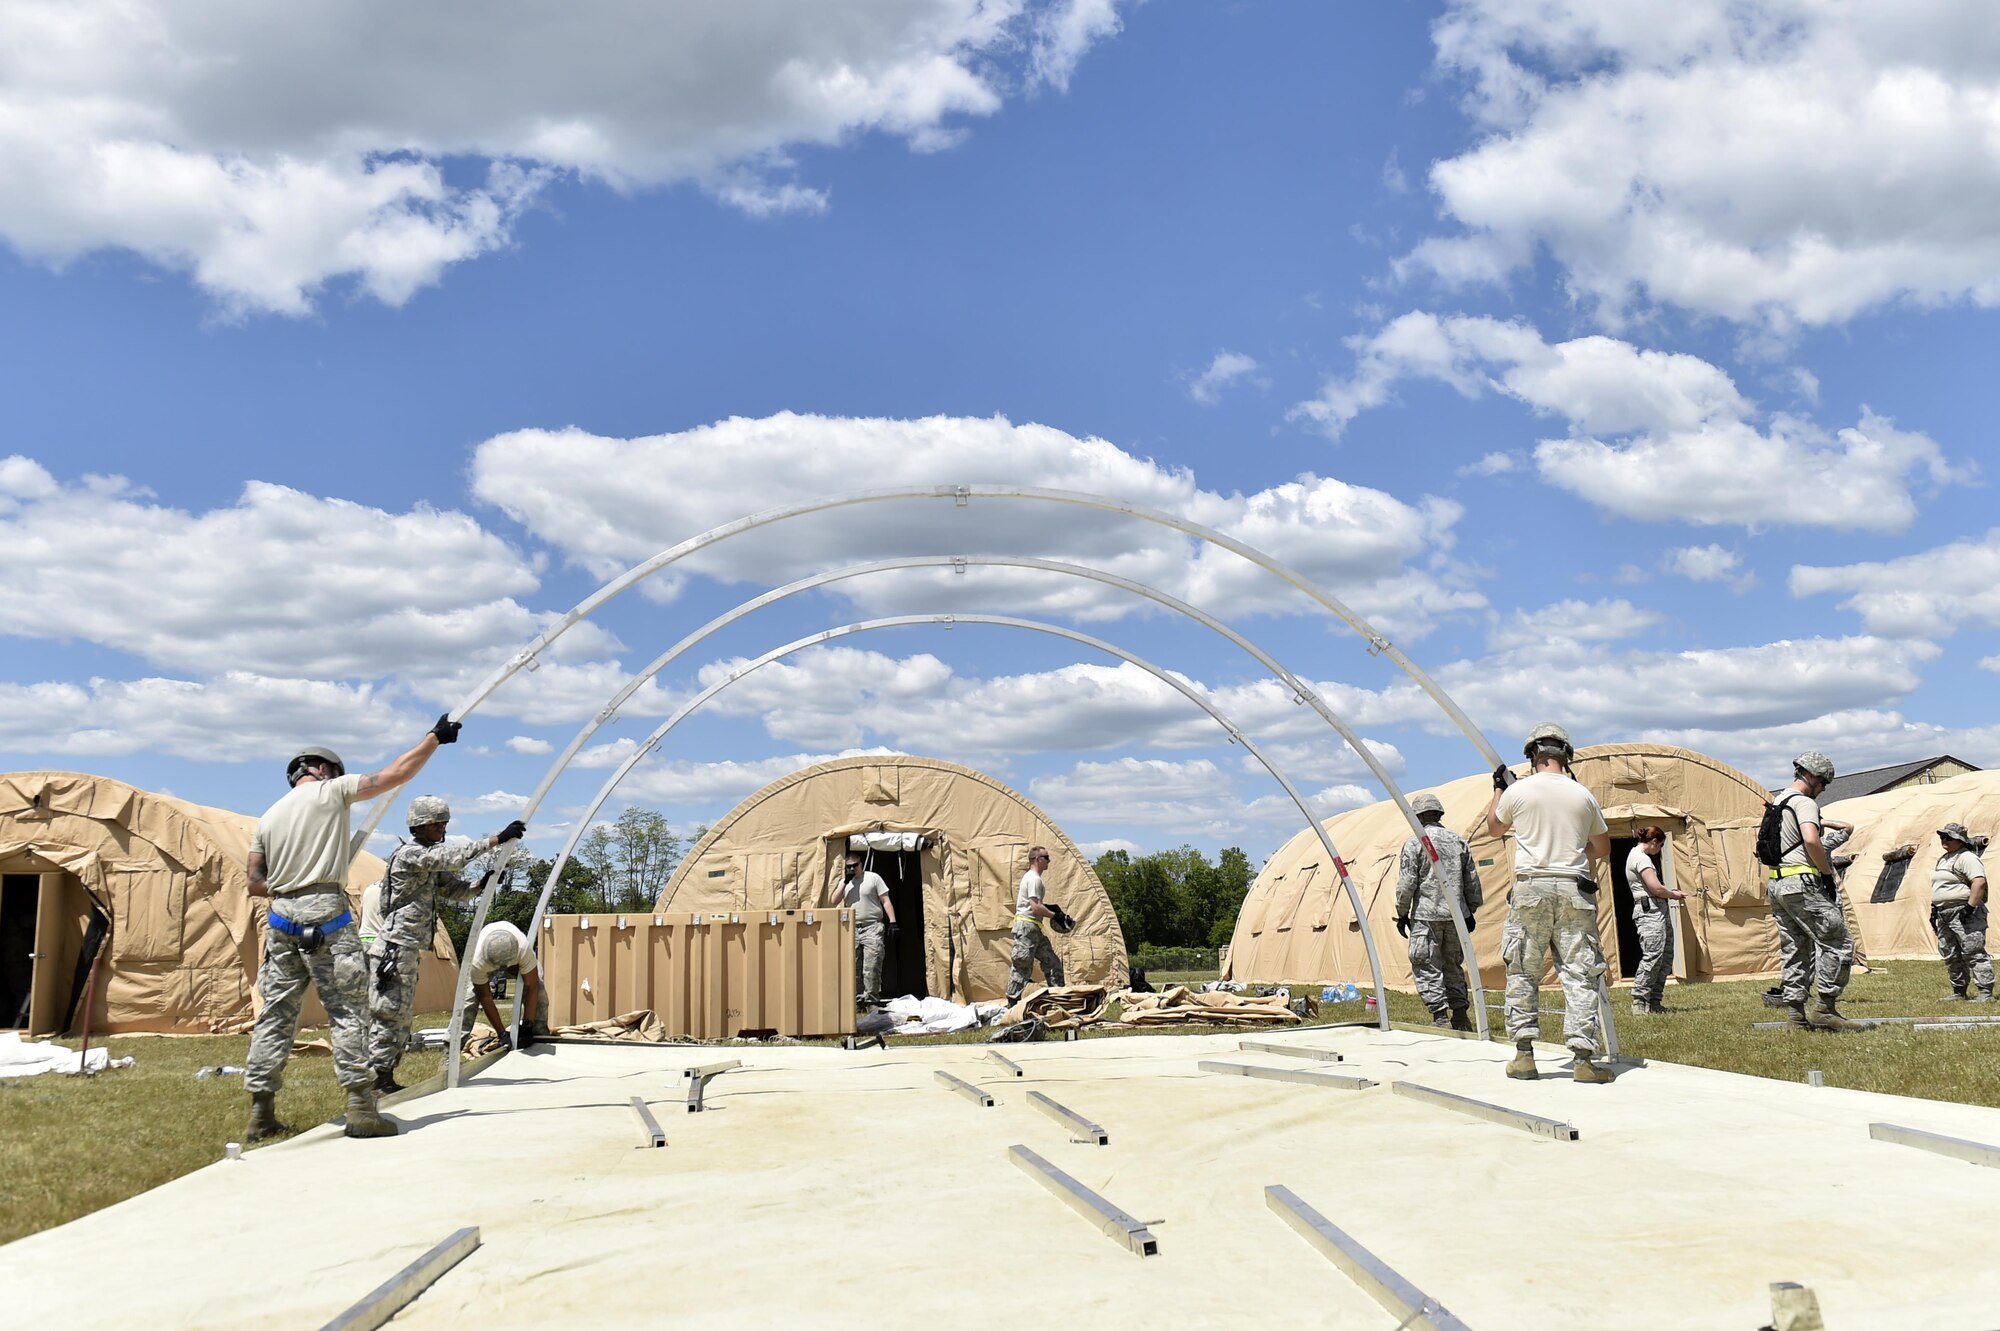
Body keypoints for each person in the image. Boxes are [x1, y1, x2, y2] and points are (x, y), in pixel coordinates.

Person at [242, 714, 462, 1144]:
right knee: (347, 1011)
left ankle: (260, 1113)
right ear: (322, 770)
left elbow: (254, 882)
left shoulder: (267, 818)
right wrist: (435, 738)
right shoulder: (330, 792)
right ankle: (362, 1108)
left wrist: (290, 884)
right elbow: (395, 775)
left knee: (275, 1016)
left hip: (280, 917)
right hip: (325, 911)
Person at [366, 797, 527, 1093]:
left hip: (407, 950)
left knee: (401, 1017)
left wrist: (481, 885)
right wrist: (497, 839)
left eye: (445, 823)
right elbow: (453, 857)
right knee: (389, 1014)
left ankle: (384, 1077)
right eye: (438, 823)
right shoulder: (410, 855)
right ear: (421, 825)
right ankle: (374, 1079)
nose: (443, 828)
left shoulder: (429, 859)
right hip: (394, 947)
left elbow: (453, 889)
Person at [1486, 723, 1614, 1084]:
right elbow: (1602, 849)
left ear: (1532, 755)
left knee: (1524, 971)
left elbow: (1494, 829)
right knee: (1579, 973)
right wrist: (1574, 845)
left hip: (1531, 889)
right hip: (1574, 889)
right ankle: (1584, 1060)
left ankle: (1524, 1056)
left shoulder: (1520, 791)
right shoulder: (1583, 796)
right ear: (1566, 756)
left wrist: (1500, 790)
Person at [1766, 751, 1863, 1032]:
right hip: (1803, 884)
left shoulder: (1778, 801)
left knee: (1795, 948)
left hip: (1778, 884)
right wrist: (1825, 874)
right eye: (1823, 783)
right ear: (1811, 777)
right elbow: (1811, 839)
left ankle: (1796, 1017)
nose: (1822, 789)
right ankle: (1825, 1008)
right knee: (1840, 943)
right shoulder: (1803, 803)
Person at [1394, 793, 1482, 1031]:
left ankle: (1440, 1017)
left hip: (1426, 917)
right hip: (1455, 917)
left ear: (1418, 816)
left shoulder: (1415, 843)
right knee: (1453, 964)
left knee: (1426, 964)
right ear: (1439, 813)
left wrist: (1402, 913)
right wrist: (1470, 910)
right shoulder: (1458, 841)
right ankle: (1461, 1015)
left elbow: (1407, 883)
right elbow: (1471, 881)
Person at [1625, 826, 1685, 1015]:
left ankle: (1655, 1001)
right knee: (1653, 955)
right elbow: (1656, 888)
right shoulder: (1641, 858)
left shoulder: (1637, 856)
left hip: (1657, 908)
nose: (1659, 850)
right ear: (1654, 842)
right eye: (1660, 846)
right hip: (1650, 911)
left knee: (1665, 956)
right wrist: (1674, 894)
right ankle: (1640, 1001)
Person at [1930, 822, 1992, 1003]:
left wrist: (1970, 908)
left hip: (1963, 911)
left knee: (1973, 951)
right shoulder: (1944, 858)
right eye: (1942, 836)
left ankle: (1985, 992)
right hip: (1944, 913)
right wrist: (1935, 909)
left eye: (1949, 837)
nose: (1944, 840)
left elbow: (1978, 882)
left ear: (1960, 840)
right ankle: (1958, 991)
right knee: (1951, 954)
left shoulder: (1967, 858)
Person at [460, 920, 543, 1046]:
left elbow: (532, 985)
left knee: (540, 988)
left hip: (516, 958)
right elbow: (485, 997)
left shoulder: (522, 948)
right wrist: (502, 1033)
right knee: (469, 999)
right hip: (486, 962)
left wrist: (527, 1025)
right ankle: (451, 1047)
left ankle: (539, 1034)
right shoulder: (477, 963)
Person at [833, 851, 898, 1008]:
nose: (852, 869)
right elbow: (833, 900)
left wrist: (893, 922)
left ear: (861, 864)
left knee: (872, 965)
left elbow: (885, 900)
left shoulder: (873, 878)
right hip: (852, 928)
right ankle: (857, 1001)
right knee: (853, 966)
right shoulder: (845, 882)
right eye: (849, 866)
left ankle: (871, 1000)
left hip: (872, 926)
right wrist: (845, 882)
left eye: (855, 866)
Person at [1007, 846, 1065, 1004]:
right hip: (1027, 928)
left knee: (1052, 963)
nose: (1049, 861)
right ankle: (1012, 1005)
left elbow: (1037, 904)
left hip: (1034, 929)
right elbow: (1035, 907)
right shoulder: (1033, 879)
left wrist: (1050, 908)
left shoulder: (1032, 878)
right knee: (1022, 966)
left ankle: (1059, 999)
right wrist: (1056, 916)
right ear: (1038, 860)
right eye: (1046, 857)